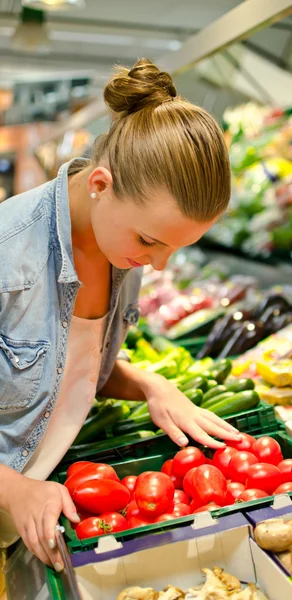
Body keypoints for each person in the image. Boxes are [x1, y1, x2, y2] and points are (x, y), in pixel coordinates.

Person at [0, 58, 240, 575]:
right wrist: (13, 487)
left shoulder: (120, 244)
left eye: (175, 249)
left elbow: (72, 363)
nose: (158, 263)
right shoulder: (6, 254)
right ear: (101, 183)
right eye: (151, 241)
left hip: (25, 519)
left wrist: (150, 385)